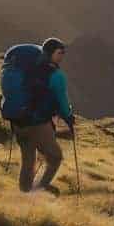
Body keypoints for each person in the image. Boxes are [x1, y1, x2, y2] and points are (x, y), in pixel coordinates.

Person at [15, 37, 73, 193]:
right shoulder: (57, 75)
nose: (62, 56)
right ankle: (38, 190)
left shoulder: (29, 69)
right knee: (55, 157)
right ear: (50, 53)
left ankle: (24, 193)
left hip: (18, 121)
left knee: (28, 160)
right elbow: (62, 102)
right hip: (38, 123)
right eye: (60, 53)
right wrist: (68, 117)